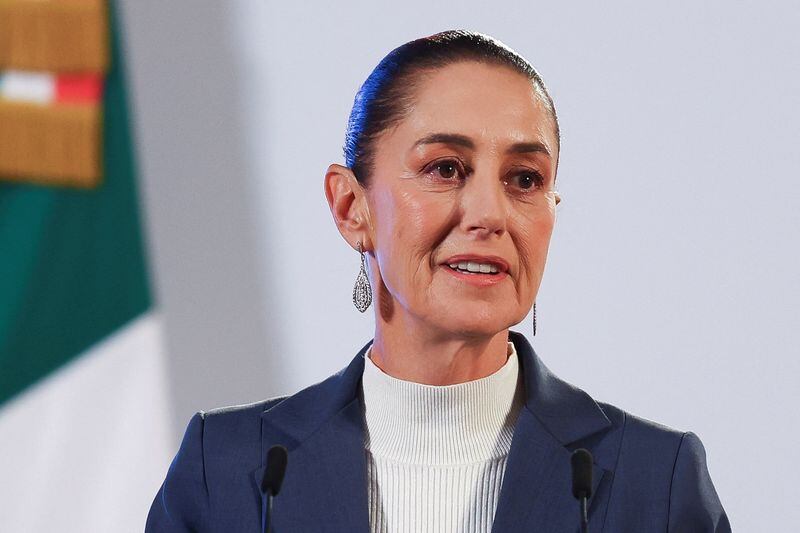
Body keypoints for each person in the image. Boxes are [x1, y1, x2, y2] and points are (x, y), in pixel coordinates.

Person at [145, 30, 730, 532]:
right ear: (352, 207)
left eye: (524, 179)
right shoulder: (224, 471)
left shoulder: (655, 483)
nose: (490, 214)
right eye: (445, 169)